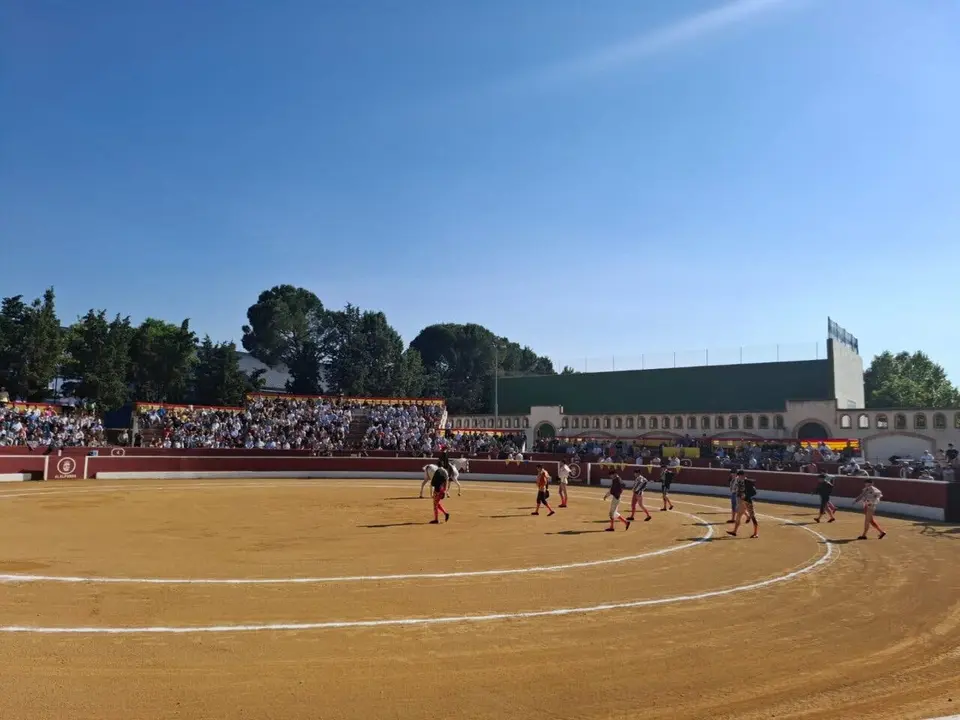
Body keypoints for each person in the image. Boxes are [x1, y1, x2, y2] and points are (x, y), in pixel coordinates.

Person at [727, 469, 758, 538]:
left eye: (740, 475)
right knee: (738, 516)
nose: (739, 477)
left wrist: (746, 495)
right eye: (738, 475)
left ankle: (756, 533)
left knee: (753, 516)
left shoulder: (748, 482)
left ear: (744, 475)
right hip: (741, 501)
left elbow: (754, 492)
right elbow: (737, 491)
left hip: (747, 501)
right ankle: (734, 531)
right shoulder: (738, 482)